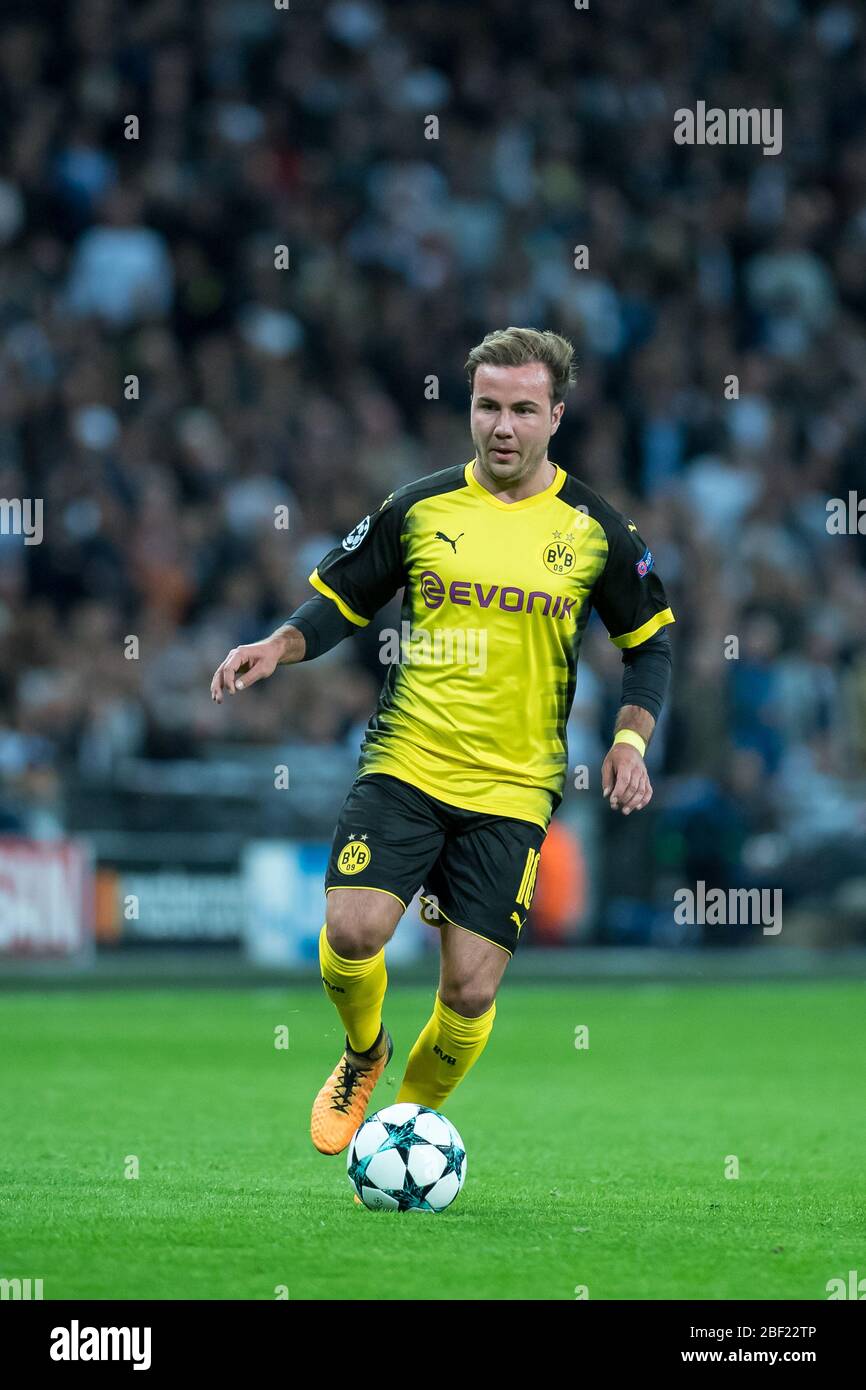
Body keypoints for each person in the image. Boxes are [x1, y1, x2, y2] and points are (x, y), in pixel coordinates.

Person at [210, 326, 674, 1158]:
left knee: (468, 988)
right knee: (352, 932)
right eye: (488, 406)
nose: (503, 426)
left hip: (515, 787)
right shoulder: (418, 507)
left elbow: (651, 643)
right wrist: (277, 645)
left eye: (523, 410)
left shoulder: (598, 530)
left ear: (555, 416)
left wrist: (630, 742)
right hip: (407, 761)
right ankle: (364, 1054)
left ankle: (401, 1126)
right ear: (470, 407)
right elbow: (342, 596)